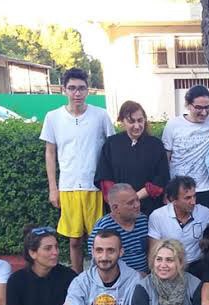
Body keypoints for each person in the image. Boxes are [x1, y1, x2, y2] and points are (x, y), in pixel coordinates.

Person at [41, 67, 116, 273]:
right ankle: (77, 279)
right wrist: (53, 188)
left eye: (81, 88)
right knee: (74, 240)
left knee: (98, 240)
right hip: (68, 187)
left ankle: (99, 278)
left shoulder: (100, 115)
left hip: (95, 187)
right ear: (64, 90)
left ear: (88, 90)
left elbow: (112, 149)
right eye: (72, 88)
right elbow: (50, 153)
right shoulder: (53, 117)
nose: (77, 93)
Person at [95, 100, 169, 215]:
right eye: (131, 121)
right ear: (122, 122)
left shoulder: (156, 145)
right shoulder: (111, 144)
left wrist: (134, 198)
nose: (137, 126)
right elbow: (105, 177)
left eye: (140, 120)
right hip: (120, 209)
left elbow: (161, 178)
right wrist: (120, 201)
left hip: (149, 207)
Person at [162, 85, 209, 212]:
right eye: (198, 107)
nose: (204, 112)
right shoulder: (173, 125)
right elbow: (166, 159)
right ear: (187, 105)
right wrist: (166, 189)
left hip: (206, 189)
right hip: (179, 190)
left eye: (207, 107)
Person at [148, 176, 209, 278]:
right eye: (187, 198)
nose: (193, 202)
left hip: (197, 267)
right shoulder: (158, 216)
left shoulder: (203, 212)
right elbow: (153, 252)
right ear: (173, 199)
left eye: (194, 196)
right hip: (169, 268)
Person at [88, 183, 150, 276]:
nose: (137, 205)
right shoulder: (103, 228)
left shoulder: (143, 220)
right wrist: (133, 276)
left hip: (146, 277)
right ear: (115, 208)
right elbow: (99, 261)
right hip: (118, 279)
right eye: (131, 203)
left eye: (137, 200)